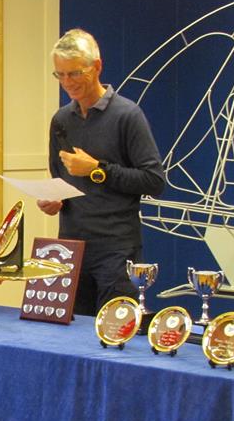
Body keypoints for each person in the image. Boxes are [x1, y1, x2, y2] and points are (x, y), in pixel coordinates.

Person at [37, 28, 165, 316]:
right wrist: (52, 200)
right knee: (70, 337)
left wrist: (98, 170)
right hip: (71, 247)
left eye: (75, 73)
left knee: (115, 333)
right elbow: (61, 179)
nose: (67, 83)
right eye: (60, 75)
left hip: (116, 250)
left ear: (97, 67)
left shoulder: (127, 115)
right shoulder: (61, 119)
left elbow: (154, 180)